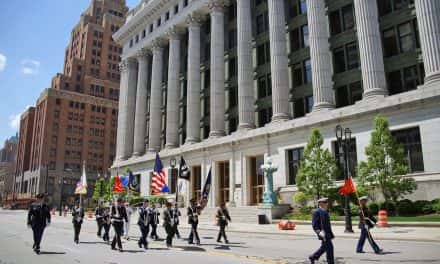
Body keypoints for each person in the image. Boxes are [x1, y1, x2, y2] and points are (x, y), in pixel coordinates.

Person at [309, 197, 335, 264]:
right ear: (320, 203)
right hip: (323, 233)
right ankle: (330, 262)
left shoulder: (325, 211)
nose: (326, 204)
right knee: (330, 248)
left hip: (328, 233)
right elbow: (314, 225)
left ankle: (313, 256)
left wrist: (331, 233)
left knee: (324, 247)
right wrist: (319, 233)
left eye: (326, 202)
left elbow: (327, 224)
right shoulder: (317, 212)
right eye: (325, 202)